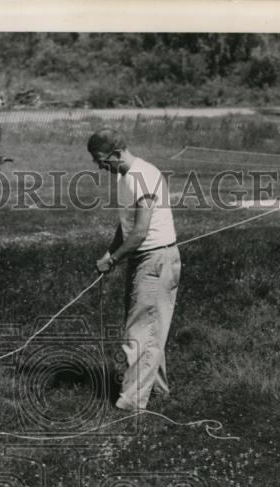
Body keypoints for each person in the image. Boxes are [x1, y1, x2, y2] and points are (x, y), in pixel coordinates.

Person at [87, 128, 181, 412]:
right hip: (144, 259)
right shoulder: (124, 176)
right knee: (150, 327)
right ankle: (158, 391)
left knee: (140, 332)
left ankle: (131, 403)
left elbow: (140, 232)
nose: (98, 165)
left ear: (116, 153)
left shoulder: (143, 176)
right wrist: (111, 249)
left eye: (101, 159)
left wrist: (113, 260)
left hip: (156, 259)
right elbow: (126, 223)